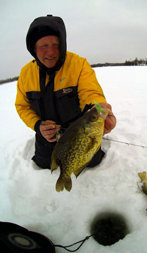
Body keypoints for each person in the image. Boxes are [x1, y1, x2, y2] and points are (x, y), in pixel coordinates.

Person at [15, 15, 116, 169]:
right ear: (33, 48)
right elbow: (22, 106)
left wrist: (98, 107)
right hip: (47, 138)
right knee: (44, 164)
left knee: (91, 162)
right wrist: (38, 125)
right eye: (43, 46)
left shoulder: (78, 64)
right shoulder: (25, 74)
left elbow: (90, 91)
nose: (51, 52)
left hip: (78, 132)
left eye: (56, 45)